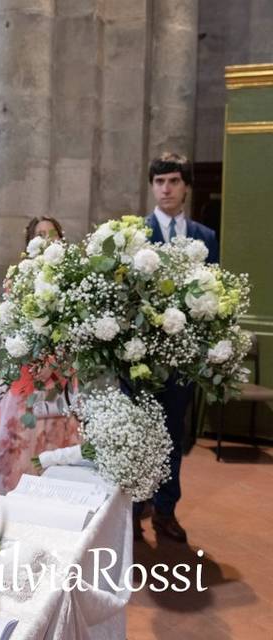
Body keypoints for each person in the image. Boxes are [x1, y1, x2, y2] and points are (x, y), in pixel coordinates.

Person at [135, 153, 220, 544]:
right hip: (139, 359)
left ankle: (165, 511)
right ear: (152, 186)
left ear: (186, 186)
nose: (165, 189)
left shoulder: (205, 237)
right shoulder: (135, 233)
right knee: (137, 436)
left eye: (172, 181)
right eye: (159, 182)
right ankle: (133, 512)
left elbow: (215, 296)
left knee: (172, 436)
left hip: (181, 360)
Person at [0, 216, 80, 514]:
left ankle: (52, 519)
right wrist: (40, 363)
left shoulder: (74, 284)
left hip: (62, 381)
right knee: (21, 454)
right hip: (27, 381)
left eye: (53, 235)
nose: (47, 240)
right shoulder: (17, 281)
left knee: (57, 454)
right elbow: (13, 333)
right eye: (39, 235)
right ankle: (13, 520)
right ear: (29, 244)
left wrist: (58, 361)